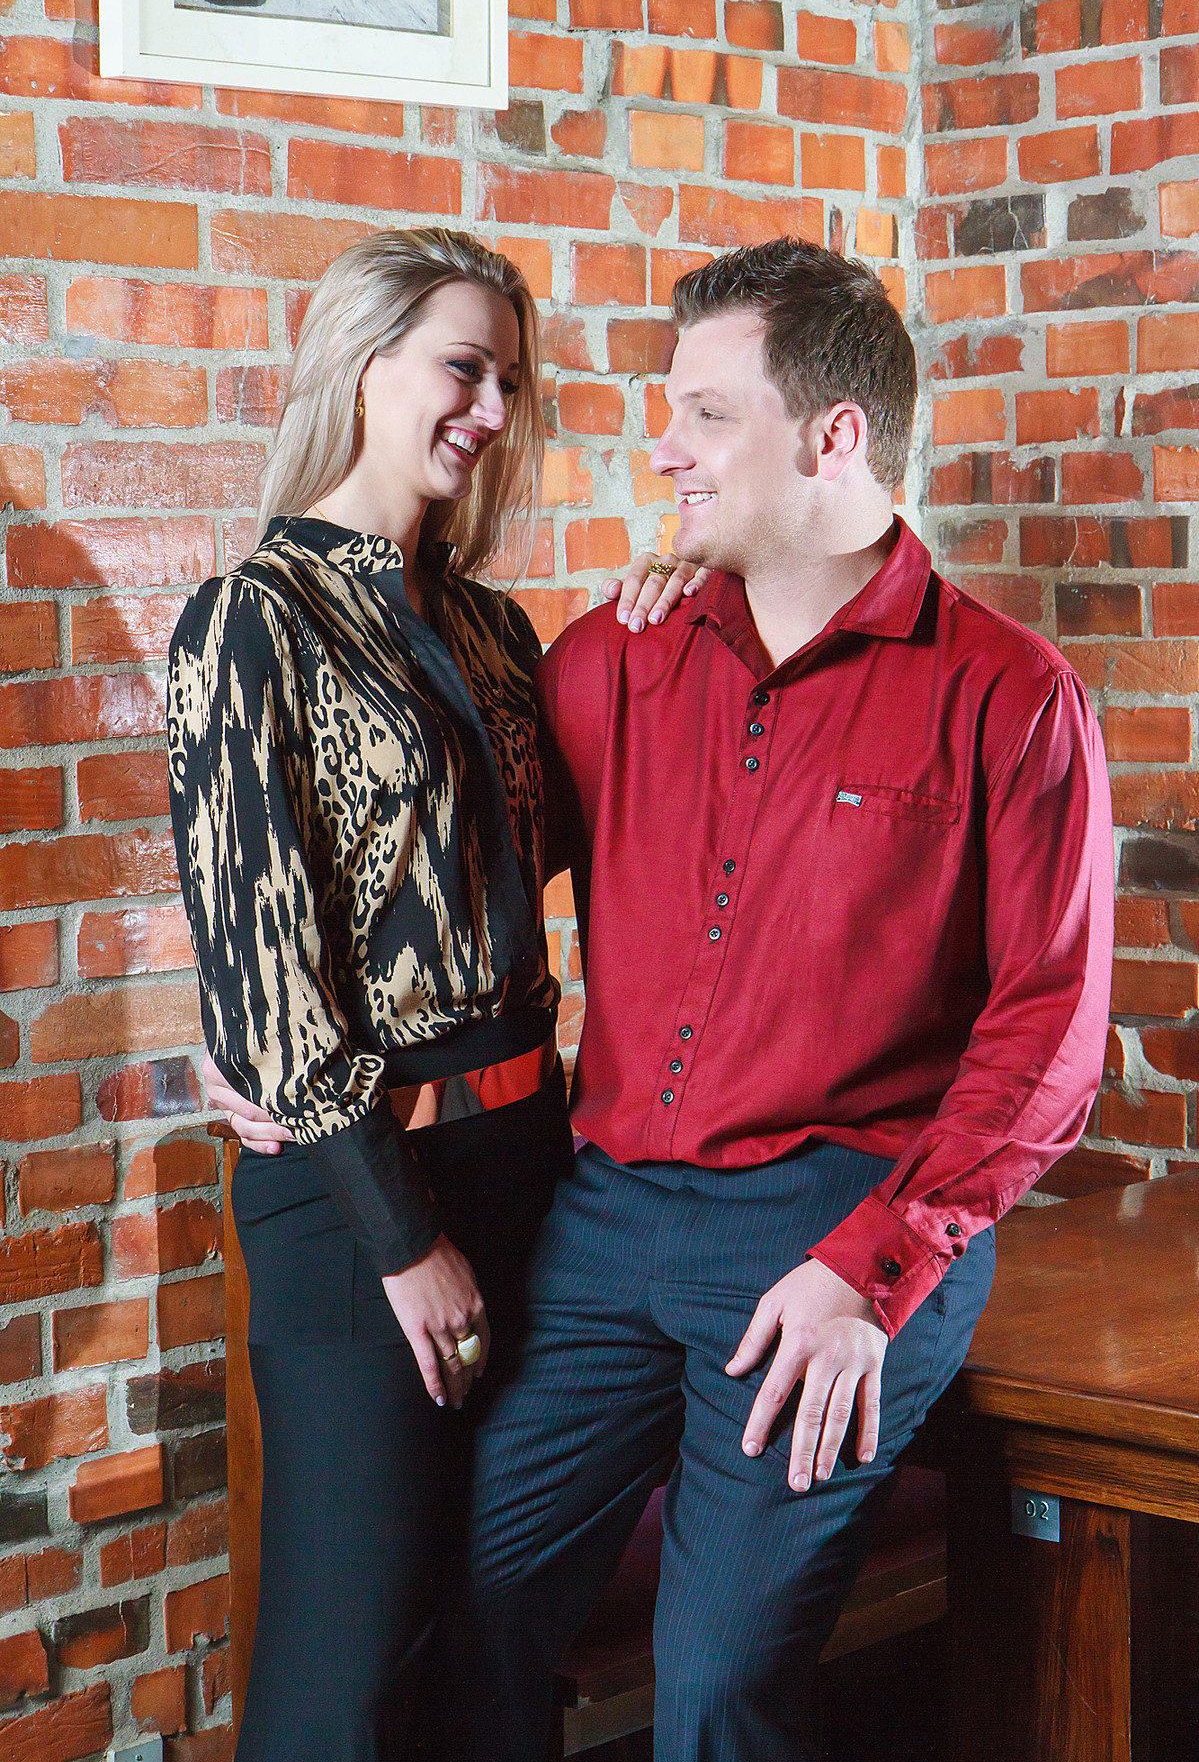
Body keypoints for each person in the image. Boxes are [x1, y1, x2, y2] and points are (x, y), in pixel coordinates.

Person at [217, 237, 1113, 1761]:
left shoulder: (1008, 695)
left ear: (834, 437)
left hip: (835, 1228)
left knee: (711, 1686)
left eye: (706, 414)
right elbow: (445, 880)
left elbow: (1049, 1037)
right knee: (463, 1610)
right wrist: (268, 1032)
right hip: (609, 1212)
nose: (661, 447)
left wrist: (874, 1270)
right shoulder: (607, 664)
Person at [167, 226, 652, 1762]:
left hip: (533, 1166)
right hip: (365, 1201)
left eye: (510, 378)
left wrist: (669, 614)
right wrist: (405, 1238)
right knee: (352, 1652)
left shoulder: (498, 631)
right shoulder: (254, 618)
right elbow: (266, 971)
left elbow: (578, 867)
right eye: (463, 367)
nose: (494, 408)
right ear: (364, 365)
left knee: (490, 1634)